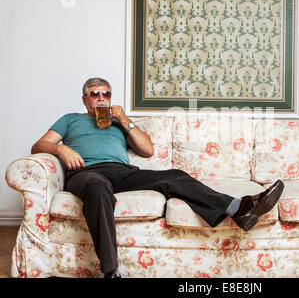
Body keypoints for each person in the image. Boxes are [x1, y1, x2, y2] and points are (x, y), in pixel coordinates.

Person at [31, 77, 284, 278]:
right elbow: (38, 145)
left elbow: (147, 150)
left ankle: (238, 208)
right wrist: (61, 148)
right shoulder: (70, 119)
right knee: (97, 189)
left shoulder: (119, 123)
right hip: (86, 173)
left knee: (173, 176)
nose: (100, 98)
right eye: (94, 94)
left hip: (123, 173)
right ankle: (111, 271)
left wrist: (125, 120)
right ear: (85, 100)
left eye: (105, 94)